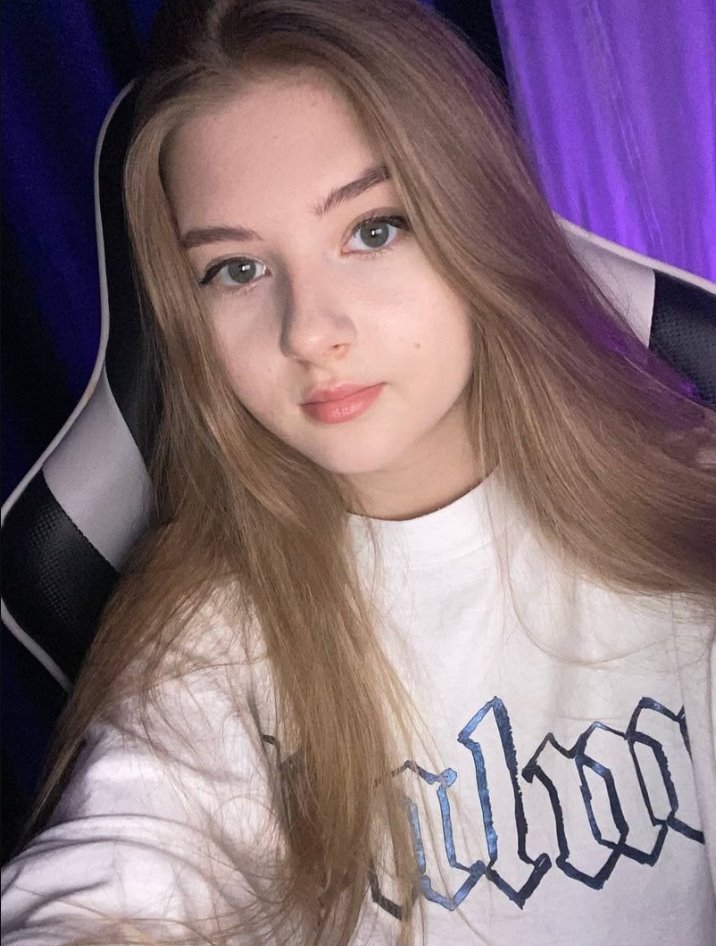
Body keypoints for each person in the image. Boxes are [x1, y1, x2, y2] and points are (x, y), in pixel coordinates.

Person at [2, 0, 715, 943]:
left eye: (374, 229)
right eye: (236, 270)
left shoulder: (689, 514)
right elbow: (124, 862)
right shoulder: (207, 634)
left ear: (479, 223)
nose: (309, 332)